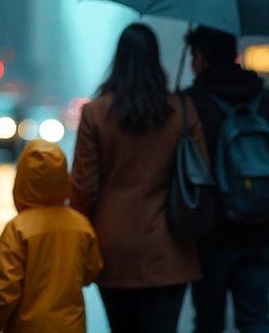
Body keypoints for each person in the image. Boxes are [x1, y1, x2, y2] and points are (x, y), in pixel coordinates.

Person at [70, 23, 208, 332]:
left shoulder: (95, 113)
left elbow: (83, 188)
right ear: (156, 59)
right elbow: (201, 172)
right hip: (170, 247)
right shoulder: (182, 111)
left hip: (112, 248)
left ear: (117, 60)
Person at [183, 27, 269, 333]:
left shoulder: (189, 105)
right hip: (261, 228)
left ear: (201, 58)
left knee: (208, 322)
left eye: (193, 56)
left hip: (209, 236)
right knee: (256, 320)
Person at [0, 139, 103, 333]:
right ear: (63, 177)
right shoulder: (80, 225)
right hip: (71, 326)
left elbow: (4, 290)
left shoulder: (18, 229)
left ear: (22, 178)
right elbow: (91, 271)